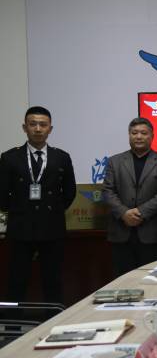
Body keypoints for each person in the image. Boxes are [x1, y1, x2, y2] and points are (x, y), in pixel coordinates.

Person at [0, 106, 76, 303]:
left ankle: (53, 320)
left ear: (50, 129)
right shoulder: (9, 157)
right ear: (24, 127)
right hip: (20, 227)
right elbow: (2, 194)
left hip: (52, 227)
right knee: (16, 280)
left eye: (43, 124)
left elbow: (69, 192)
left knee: (53, 280)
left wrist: (54, 211)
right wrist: (18, 210)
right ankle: (14, 322)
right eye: (33, 124)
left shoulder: (62, 157)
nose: (38, 129)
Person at [102, 118, 157, 277]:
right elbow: (107, 191)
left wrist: (141, 212)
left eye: (143, 133)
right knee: (122, 280)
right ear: (129, 135)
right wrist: (124, 213)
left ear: (152, 136)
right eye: (134, 133)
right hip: (121, 233)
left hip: (152, 233)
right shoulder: (115, 161)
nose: (139, 136)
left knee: (152, 280)